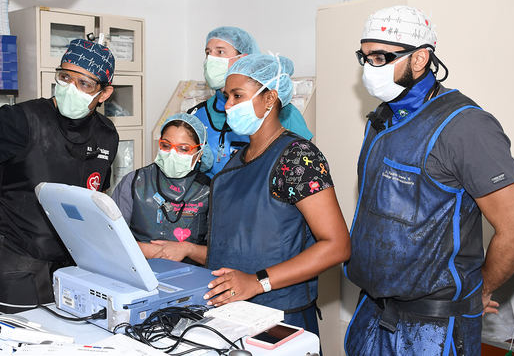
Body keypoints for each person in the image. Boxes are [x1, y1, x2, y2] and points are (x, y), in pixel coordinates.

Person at [344, 5, 514, 355]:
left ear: (420, 59)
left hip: (432, 331)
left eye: (380, 56)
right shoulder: (382, 119)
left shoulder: (466, 127)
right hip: (372, 315)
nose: (369, 68)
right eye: (364, 57)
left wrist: (479, 291)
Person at [0, 39, 119, 313]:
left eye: (84, 83)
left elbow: (94, 199)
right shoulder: (23, 120)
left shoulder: (107, 134)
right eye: (65, 77)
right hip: (16, 269)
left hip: (72, 271)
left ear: (104, 93)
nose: (71, 88)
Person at [204, 53, 351, 337]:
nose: (229, 106)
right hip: (231, 310)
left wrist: (259, 282)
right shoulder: (236, 163)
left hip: (281, 316)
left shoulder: (296, 158)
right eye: (227, 97)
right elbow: (239, 244)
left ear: (269, 99)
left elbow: (337, 245)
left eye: (238, 96)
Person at [189, 26, 313, 177]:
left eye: (220, 52)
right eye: (208, 53)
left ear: (243, 59)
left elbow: (304, 166)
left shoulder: (283, 113)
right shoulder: (198, 114)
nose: (211, 59)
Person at [112, 113, 212, 265]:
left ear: (200, 154)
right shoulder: (134, 182)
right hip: (138, 271)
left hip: (191, 276)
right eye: (166, 145)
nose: (172, 154)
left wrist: (187, 249)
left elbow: (223, 254)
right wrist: (149, 250)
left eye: (183, 149)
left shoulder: (209, 191)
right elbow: (109, 238)